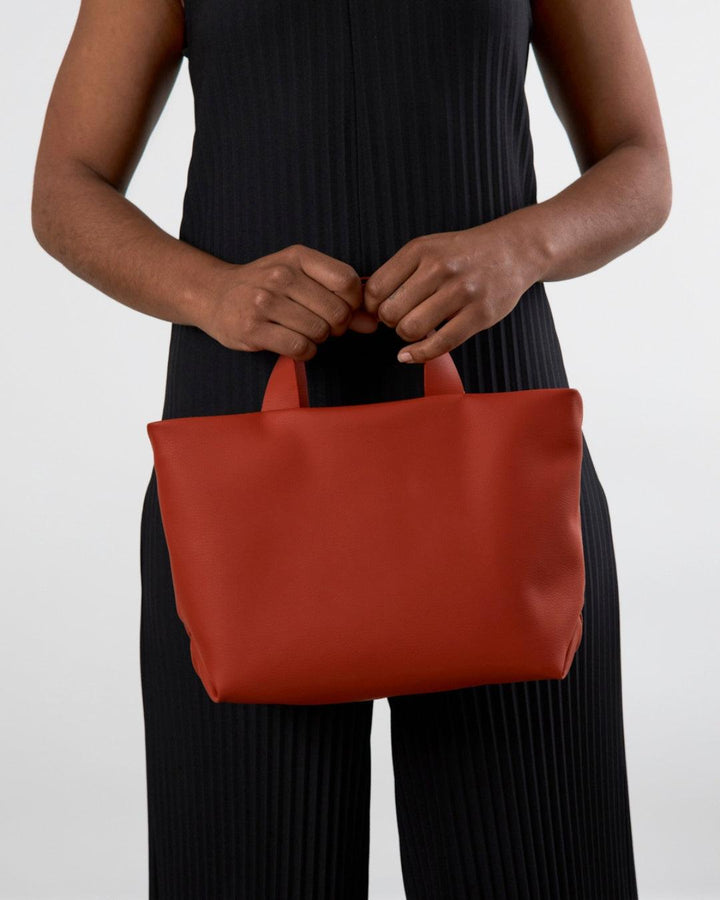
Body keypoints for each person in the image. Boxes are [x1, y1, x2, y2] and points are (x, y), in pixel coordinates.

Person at [31, 0, 671, 896]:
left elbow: (641, 164)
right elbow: (65, 186)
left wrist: (522, 248)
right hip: (242, 454)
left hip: (498, 447)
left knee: (542, 866)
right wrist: (211, 294)